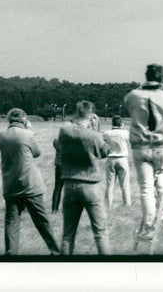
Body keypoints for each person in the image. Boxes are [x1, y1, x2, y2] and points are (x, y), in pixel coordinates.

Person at [125, 63, 163, 241]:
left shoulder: (133, 95)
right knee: (162, 173)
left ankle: (149, 227)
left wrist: (143, 88)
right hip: (161, 145)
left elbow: (129, 105)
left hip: (140, 146)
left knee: (145, 188)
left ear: (146, 76)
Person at [0, 108, 60, 255]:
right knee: (42, 221)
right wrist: (31, 131)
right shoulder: (27, 134)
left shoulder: (1, 136)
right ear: (24, 119)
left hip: (10, 184)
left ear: (9, 119)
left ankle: (11, 254)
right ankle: (56, 252)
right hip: (29, 184)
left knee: (11, 223)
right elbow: (37, 153)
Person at [57, 100, 110, 255]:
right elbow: (105, 152)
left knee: (68, 234)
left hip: (69, 184)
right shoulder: (93, 136)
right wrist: (96, 130)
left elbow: (61, 137)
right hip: (90, 185)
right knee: (101, 232)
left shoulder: (64, 131)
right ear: (92, 115)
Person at [102, 115, 131, 208]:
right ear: (121, 123)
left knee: (110, 184)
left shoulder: (106, 133)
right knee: (125, 185)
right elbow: (129, 144)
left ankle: (108, 205)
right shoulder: (126, 133)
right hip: (122, 158)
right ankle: (127, 204)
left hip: (111, 158)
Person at [51, 136, 63, 212]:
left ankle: (54, 208)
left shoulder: (57, 141)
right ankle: (65, 208)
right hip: (67, 167)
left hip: (58, 166)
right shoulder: (71, 142)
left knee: (57, 188)